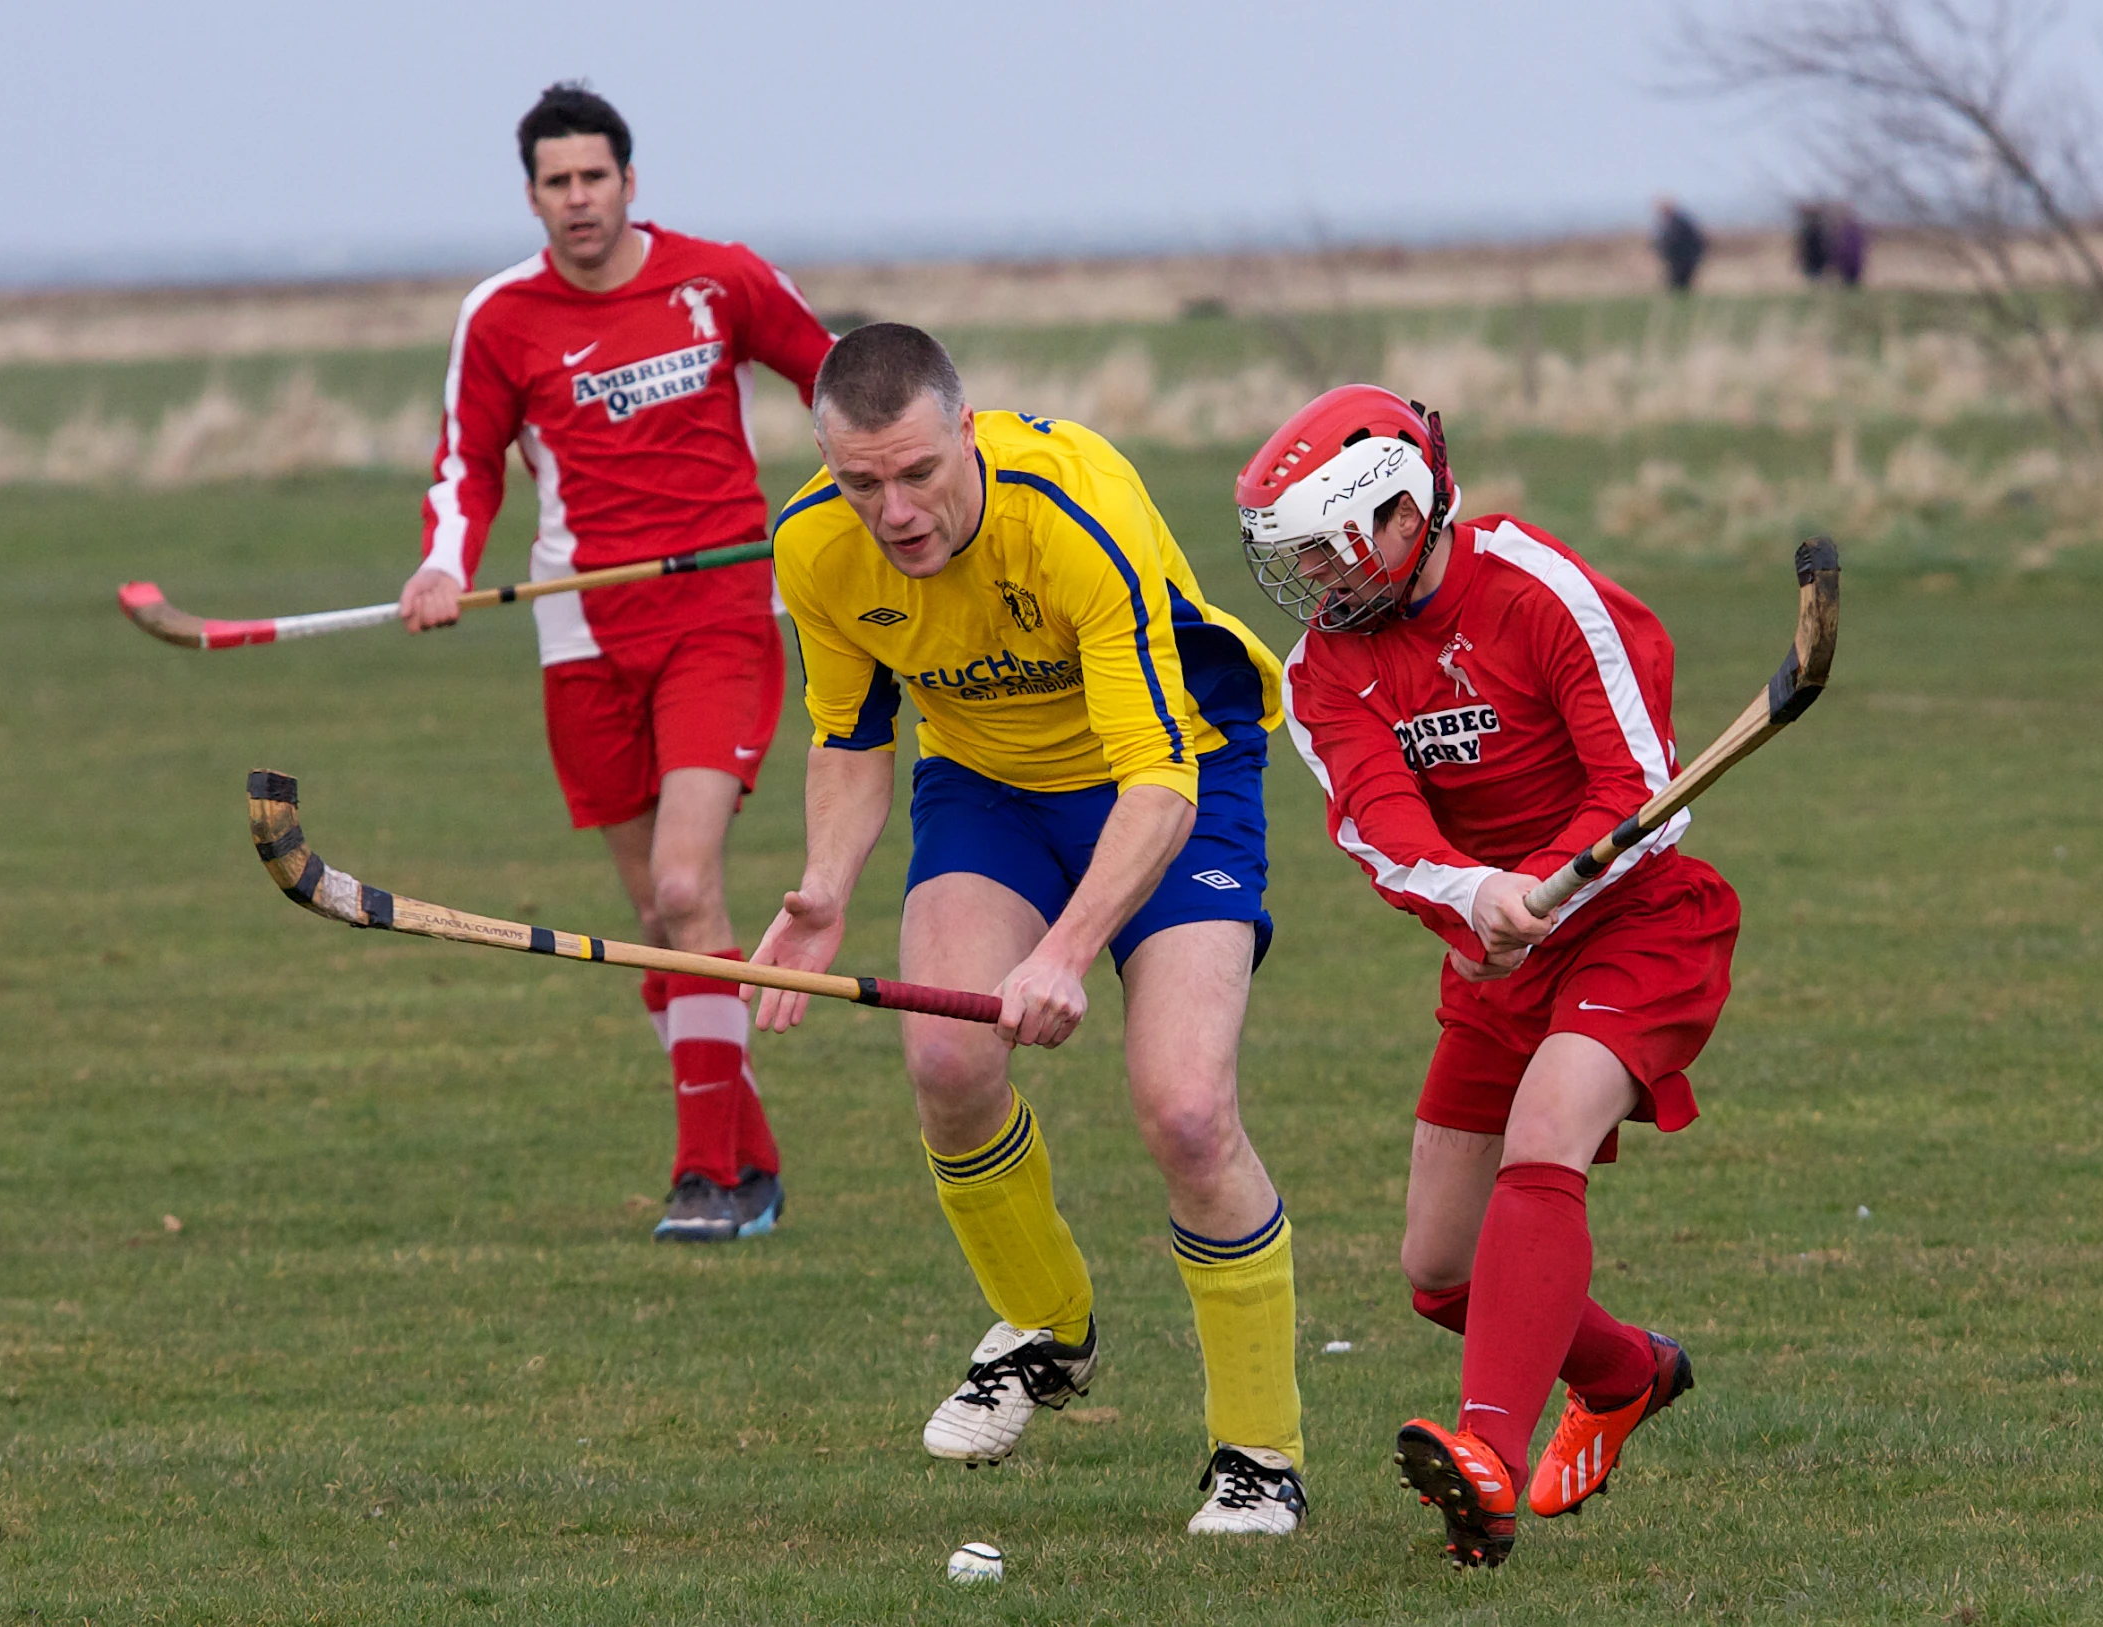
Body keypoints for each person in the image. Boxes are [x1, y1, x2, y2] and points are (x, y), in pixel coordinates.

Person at [748, 323, 1308, 1533]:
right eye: (859, 483)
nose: (892, 512)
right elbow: (850, 736)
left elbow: (1157, 775)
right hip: (988, 787)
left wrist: (1063, 950)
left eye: (916, 473)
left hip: (1175, 775)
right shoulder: (813, 550)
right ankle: (1047, 1330)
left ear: (966, 430)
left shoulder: (1071, 511)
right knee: (947, 1058)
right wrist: (823, 890)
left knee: (1186, 1109)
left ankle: (1259, 1455)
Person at [1241, 385, 1738, 1568]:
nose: (1313, 575)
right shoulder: (1323, 675)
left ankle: (1487, 1457)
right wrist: (1478, 896)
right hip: (1495, 957)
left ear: (1401, 512)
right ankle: (1626, 1376)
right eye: (1296, 555)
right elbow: (1380, 827)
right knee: (1438, 1270)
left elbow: (1641, 792)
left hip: (1636, 921)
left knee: (1545, 1137)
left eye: (1325, 546)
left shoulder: (1539, 591)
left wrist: (1549, 879)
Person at [398, 82, 834, 1243]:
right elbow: (468, 463)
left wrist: (867, 493)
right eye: (557, 182)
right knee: (656, 917)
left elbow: (833, 378)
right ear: (533, 195)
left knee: (688, 890)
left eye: (596, 177)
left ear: (630, 183)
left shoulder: (718, 278)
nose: (578, 199)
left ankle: (706, 1179)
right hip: (582, 629)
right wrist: (444, 564)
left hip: (720, 615)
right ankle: (755, 1163)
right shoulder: (500, 316)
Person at [1653, 199, 1707, 293]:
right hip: (1678, 260)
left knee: (1680, 284)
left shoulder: (1678, 223)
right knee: (1676, 285)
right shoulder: (1674, 222)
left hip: (1684, 260)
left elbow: (1675, 242)